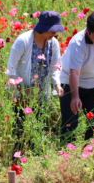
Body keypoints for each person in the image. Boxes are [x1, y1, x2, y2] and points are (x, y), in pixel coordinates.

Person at [7, 10, 65, 151]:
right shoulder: (23, 40)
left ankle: (35, 153)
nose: (55, 34)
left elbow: (56, 66)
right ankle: (17, 154)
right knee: (20, 125)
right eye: (53, 30)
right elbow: (11, 67)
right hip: (23, 92)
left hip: (42, 92)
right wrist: (14, 91)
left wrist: (57, 84)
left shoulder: (54, 43)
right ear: (43, 28)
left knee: (39, 124)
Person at [59, 12, 94, 144]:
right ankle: (68, 151)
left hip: (93, 83)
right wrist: (74, 97)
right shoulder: (78, 42)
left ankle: (91, 150)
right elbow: (74, 73)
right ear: (88, 30)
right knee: (70, 122)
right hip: (69, 82)